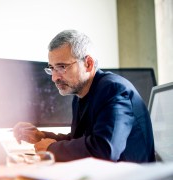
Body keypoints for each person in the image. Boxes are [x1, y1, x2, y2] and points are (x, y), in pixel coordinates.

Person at [13, 29, 155, 163]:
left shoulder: (113, 89)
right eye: (52, 68)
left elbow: (105, 149)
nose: (55, 77)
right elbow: (79, 140)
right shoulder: (81, 94)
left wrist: (51, 149)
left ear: (88, 63)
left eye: (62, 67)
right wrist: (42, 136)